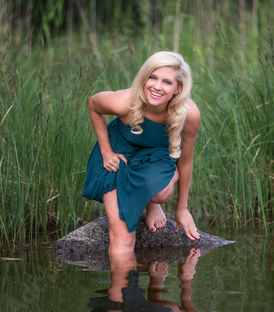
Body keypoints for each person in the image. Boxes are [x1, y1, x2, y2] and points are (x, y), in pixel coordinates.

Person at [82, 51, 201, 256]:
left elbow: (186, 159)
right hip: (120, 155)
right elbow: (94, 105)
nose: (156, 86)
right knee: (123, 237)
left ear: (178, 88)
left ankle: (152, 200)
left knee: (162, 193)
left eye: (167, 82)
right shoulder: (124, 101)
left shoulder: (188, 115)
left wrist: (181, 208)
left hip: (155, 157)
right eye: (152, 77)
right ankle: (120, 284)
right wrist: (106, 151)